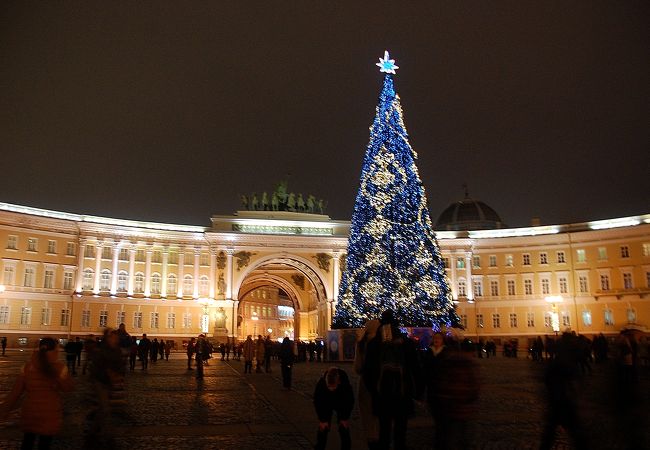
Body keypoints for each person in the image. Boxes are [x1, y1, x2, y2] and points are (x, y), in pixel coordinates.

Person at [0, 337, 74, 449]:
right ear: (54, 351)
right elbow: (68, 388)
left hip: (30, 412)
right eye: (57, 350)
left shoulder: (27, 367)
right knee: (44, 444)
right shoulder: (60, 368)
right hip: (49, 414)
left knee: (27, 442)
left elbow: (15, 393)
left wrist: (4, 411)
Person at [363, 310, 421, 450]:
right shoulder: (406, 343)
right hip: (402, 393)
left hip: (382, 394)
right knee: (401, 431)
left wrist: (373, 391)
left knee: (384, 430)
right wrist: (417, 392)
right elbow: (416, 368)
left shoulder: (373, 344)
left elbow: (367, 372)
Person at [424, 330, 479, 450]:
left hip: (447, 401)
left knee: (448, 431)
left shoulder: (448, 356)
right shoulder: (458, 360)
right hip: (453, 403)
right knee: (455, 432)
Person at [86, 328, 125, 449]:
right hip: (99, 381)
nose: (116, 339)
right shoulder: (101, 350)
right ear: (108, 338)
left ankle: (92, 432)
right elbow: (98, 367)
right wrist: (109, 373)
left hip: (109, 382)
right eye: (113, 337)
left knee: (102, 409)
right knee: (106, 409)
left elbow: (120, 365)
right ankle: (109, 438)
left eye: (116, 337)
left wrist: (118, 375)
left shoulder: (117, 350)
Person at [353, 319, 381, 449]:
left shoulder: (362, 344)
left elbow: (357, 367)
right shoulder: (383, 343)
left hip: (365, 383)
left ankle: (371, 441)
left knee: (367, 416)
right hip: (381, 383)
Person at [313, 367, 355, 450]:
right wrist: (323, 419)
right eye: (329, 386)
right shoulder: (321, 384)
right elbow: (318, 402)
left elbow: (349, 402)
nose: (331, 389)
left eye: (333, 387)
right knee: (323, 429)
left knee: (344, 428)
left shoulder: (345, 384)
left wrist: (344, 418)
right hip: (326, 402)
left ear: (338, 382)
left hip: (341, 402)